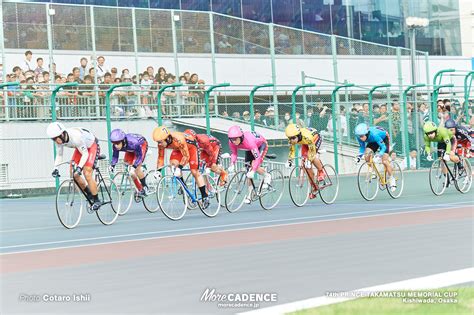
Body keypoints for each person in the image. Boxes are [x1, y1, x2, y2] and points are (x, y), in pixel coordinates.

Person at [47, 122, 102, 210]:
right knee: (73, 173)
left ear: (62, 134)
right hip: (80, 147)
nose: (56, 141)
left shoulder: (76, 137)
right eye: (53, 139)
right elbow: (59, 155)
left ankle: (97, 200)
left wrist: (80, 168)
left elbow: (85, 154)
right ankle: (89, 194)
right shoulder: (59, 140)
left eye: (56, 138)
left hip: (91, 146)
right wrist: (56, 168)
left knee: (86, 173)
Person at [153, 126, 210, 208]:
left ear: (167, 138)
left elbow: (186, 156)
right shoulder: (162, 144)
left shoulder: (178, 139)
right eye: (158, 142)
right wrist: (158, 170)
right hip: (178, 149)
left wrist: (180, 168)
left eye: (160, 142)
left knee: (194, 171)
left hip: (191, 148)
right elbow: (160, 157)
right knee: (173, 164)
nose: (159, 144)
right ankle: (183, 186)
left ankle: (205, 196)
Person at [227, 126, 271, 204]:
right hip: (249, 149)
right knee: (248, 171)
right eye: (232, 139)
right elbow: (234, 154)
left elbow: (257, 158)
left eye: (236, 139)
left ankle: (267, 175)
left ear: (241, 137)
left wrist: (253, 171)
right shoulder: (231, 142)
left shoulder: (249, 141)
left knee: (253, 165)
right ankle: (250, 195)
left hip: (260, 145)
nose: (234, 141)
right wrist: (232, 164)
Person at [285, 124, 324, 199]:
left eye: (293, 138)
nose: (291, 140)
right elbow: (292, 151)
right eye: (289, 138)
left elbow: (312, 151)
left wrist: (309, 159)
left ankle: (321, 171)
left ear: (298, 135)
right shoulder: (292, 140)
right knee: (307, 166)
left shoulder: (307, 137)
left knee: (311, 158)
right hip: (305, 143)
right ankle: (314, 187)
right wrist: (290, 161)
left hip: (315, 139)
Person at [354, 123, 396, 190]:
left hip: (383, 138)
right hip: (372, 141)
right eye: (359, 136)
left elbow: (383, 147)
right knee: (366, 156)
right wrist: (358, 157)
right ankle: (374, 172)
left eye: (362, 136)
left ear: (366, 133)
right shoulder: (360, 137)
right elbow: (362, 147)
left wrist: (379, 156)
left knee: (384, 161)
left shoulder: (374, 135)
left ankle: (392, 179)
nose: (360, 138)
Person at [109, 129, 150, 197]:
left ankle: (145, 186)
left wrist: (134, 166)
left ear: (123, 140)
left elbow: (139, 157)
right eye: (114, 143)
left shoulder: (133, 143)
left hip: (141, 145)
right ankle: (140, 189)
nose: (116, 145)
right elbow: (115, 157)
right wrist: (112, 165)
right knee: (128, 166)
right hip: (130, 149)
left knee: (136, 168)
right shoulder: (116, 145)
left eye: (118, 143)